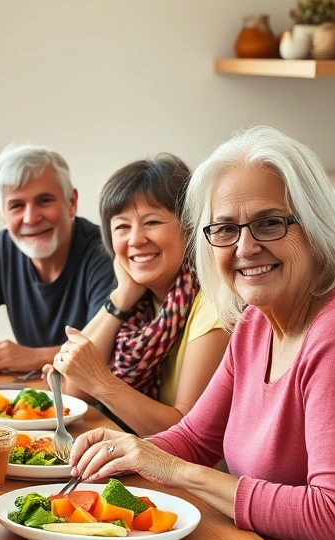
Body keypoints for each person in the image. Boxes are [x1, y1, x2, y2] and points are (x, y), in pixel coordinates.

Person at [69, 126, 335, 540]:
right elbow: (194, 439)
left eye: (270, 222)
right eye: (226, 229)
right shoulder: (254, 320)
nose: (245, 247)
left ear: (315, 222)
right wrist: (125, 451)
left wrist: (176, 471)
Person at [49, 155, 229, 436]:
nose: (135, 239)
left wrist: (102, 383)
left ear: (189, 227)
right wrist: (121, 298)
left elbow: (187, 433)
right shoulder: (141, 302)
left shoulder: (213, 306)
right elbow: (72, 390)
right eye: (122, 226)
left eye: (152, 222)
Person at [0, 144, 116, 373]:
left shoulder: (103, 251)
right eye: (16, 205)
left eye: (44, 201)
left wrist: (36, 357)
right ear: (2, 213)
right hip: (37, 395)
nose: (31, 218)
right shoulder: (5, 248)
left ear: (71, 202)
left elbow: (107, 349)